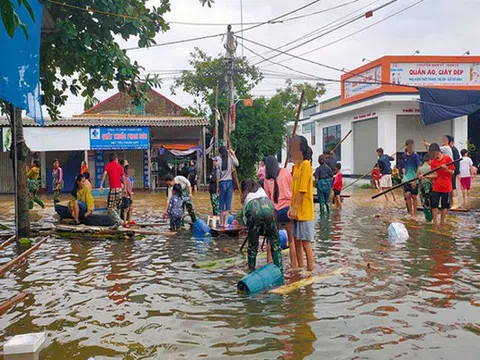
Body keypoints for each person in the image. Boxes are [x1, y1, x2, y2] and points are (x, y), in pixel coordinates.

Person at [242, 179, 283, 274]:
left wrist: (251, 230)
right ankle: (280, 271)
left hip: (254, 212)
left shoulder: (246, 197)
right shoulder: (262, 191)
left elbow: (245, 219)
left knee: (253, 245)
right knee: (275, 243)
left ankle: (251, 271)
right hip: (270, 211)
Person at [264, 155, 297, 269]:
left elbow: (267, 198)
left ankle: (269, 264)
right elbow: (292, 188)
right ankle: (294, 267)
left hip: (274, 212)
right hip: (288, 210)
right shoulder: (285, 172)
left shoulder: (267, 179)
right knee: (291, 241)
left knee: (270, 241)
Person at [289, 135, 314, 272]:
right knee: (297, 241)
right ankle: (300, 268)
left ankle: (310, 271)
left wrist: (295, 208)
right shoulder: (296, 167)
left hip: (304, 211)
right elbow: (293, 191)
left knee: (305, 243)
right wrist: (290, 208)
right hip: (296, 211)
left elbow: (303, 190)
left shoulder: (306, 165)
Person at [420, 143, 455, 228]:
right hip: (436, 187)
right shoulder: (433, 162)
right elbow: (435, 175)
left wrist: (446, 169)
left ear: (437, 151)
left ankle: (442, 223)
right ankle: (435, 223)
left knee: (444, 206)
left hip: (446, 187)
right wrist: (425, 176)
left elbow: (452, 172)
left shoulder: (447, 159)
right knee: (434, 205)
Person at [216, 145, 239, 227]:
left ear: (220, 153)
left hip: (222, 183)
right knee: (228, 204)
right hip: (229, 183)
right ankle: (226, 223)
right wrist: (233, 154)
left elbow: (218, 176)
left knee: (221, 204)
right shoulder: (230, 159)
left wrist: (217, 187)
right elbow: (237, 164)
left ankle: (221, 223)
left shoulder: (218, 161)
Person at [399, 139, 420, 218]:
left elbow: (418, 167)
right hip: (407, 179)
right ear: (406, 146)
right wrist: (404, 177)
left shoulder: (415, 155)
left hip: (414, 179)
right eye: (409, 146)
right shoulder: (404, 156)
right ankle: (410, 213)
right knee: (407, 195)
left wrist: (415, 180)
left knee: (414, 196)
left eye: (412, 146)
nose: (411, 147)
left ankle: (415, 214)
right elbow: (403, 167)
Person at [417, 154, 433, 222]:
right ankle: (432, 218)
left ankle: (428, 218)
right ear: (429, 160)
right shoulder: (431, 167)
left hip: (422, 188)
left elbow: (417, 178)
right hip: (430, 187)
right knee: (431, 203)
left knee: (424, 203)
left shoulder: (420, 168)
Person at [447, 136, 460, 209]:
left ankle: (454, 204)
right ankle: (450, 203)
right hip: (449, 172)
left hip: (452, 172)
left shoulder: (454, 150)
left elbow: (456, 163)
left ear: (451, 142)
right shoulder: (450, 150)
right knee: (449, 187)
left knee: (453, 187)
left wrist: (455, 172)